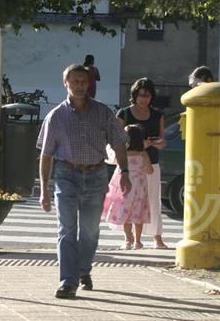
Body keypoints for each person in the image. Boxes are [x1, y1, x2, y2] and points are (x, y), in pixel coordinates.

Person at [37, 64, 131, 300]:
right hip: (66, 175)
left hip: (96, 175)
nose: (79, 85)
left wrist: (125, 172)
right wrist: (44, 190)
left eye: (83, 81)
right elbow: (46, 154)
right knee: (67, 229)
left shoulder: (102, 112)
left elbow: (119, 142)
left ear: (89, 83)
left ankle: (83, 270)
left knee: (89, 231)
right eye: (75, 81)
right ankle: (68, 282)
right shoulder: (56, 116)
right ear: (66, 83)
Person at [116, 78, 168, 249]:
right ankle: (129, 239)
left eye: (148, 95)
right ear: (135, 95)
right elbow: (117, 140)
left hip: (151, 163)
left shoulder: (158, 115)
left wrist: (154, 143)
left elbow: (163, 141)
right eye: (141, 95)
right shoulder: (123, 113)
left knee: (153, 200)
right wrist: (136, 146)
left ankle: (157, 237)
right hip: (129, 164)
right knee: (127, 202)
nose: (144, 99)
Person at [101, 124, 153, 250]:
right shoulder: (143, 154)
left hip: (124, 186)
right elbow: (150, 170)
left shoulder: (122, 153)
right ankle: (138, 241)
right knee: (138, 213)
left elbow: (109, 159)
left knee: (126, 213)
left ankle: (128, 240)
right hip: (139, 187)